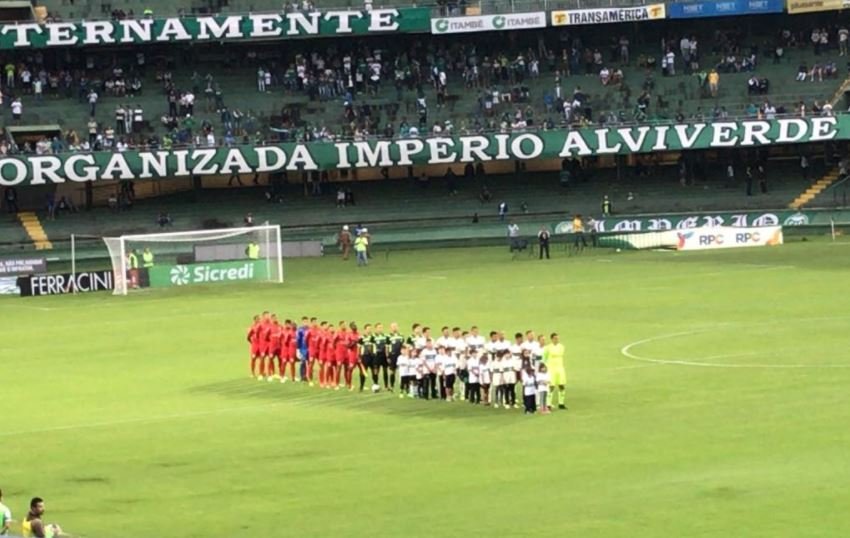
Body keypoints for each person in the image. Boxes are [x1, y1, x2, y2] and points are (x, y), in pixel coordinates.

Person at [542, 333, 567, 410]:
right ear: (552, 339)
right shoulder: (547, 348)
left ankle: (561, 403)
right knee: (551, 386)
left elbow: (559, 354)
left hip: (560, 369)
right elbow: (544, 358)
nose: (557, 339)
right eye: (555, 338)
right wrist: (544, 367)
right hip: (551, 369)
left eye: (557, 338)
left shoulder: (561, 347)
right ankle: (548, 404)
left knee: (561, 385)